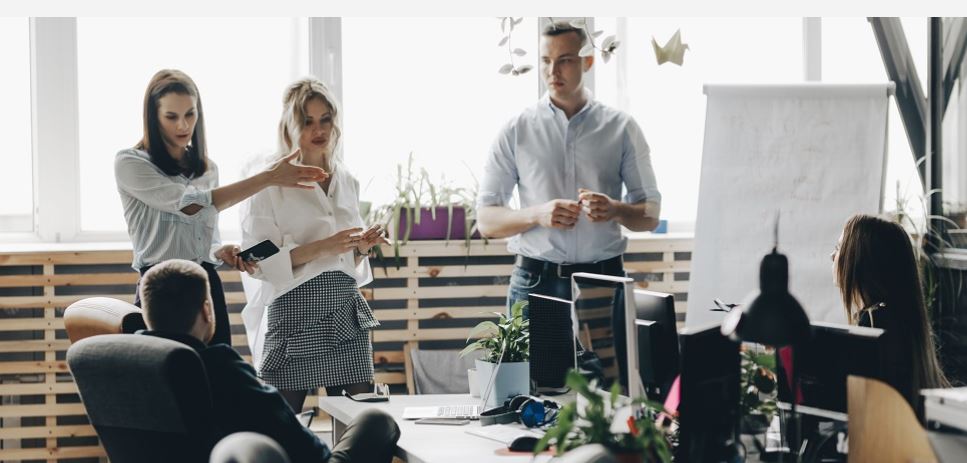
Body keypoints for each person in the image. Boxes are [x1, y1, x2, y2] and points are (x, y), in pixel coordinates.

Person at [115, 69, 327, 346]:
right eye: (171, 117)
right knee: (166, 381)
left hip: (206, 285)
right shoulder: (130, 163)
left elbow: (203, 234)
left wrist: (219, 252)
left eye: (190, 114)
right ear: (153, 118)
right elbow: (191, 206)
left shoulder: (207, 169)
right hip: (161, 288)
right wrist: (269, 177)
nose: (183, 126)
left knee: (216, 380)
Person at [138, 259, 401, 463]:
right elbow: (301, 446)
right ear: (207, 310)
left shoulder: (132, 364)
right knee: (376, 420)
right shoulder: (218, 366)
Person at [477, 21, 662, 308]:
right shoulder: (516, 130)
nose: (552, 71)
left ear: (587, 61)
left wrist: (615, 209)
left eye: (564, 61)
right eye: (546, 61)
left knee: (608, 357)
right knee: (530, 357)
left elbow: (650, 214)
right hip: (534, 282)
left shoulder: (622, 128)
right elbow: (486, 221)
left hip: (604, 281)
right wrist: (537, 215)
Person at [240, 77, 387, 413]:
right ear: (290, 126)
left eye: (325, 119)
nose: (318, 129)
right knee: (279, 428)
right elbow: (257, 262)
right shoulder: (270, 182)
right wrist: (325, 246)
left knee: (363, 421)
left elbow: (346, 260)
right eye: (307, 121)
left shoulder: (347, 179)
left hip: (345, 309)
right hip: (294, 313)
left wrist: (362, 247)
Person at [831, 213, 950, 410]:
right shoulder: (897, 318)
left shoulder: (874, 323)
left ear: (860, 258)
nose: (833, 256)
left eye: (839, 248)